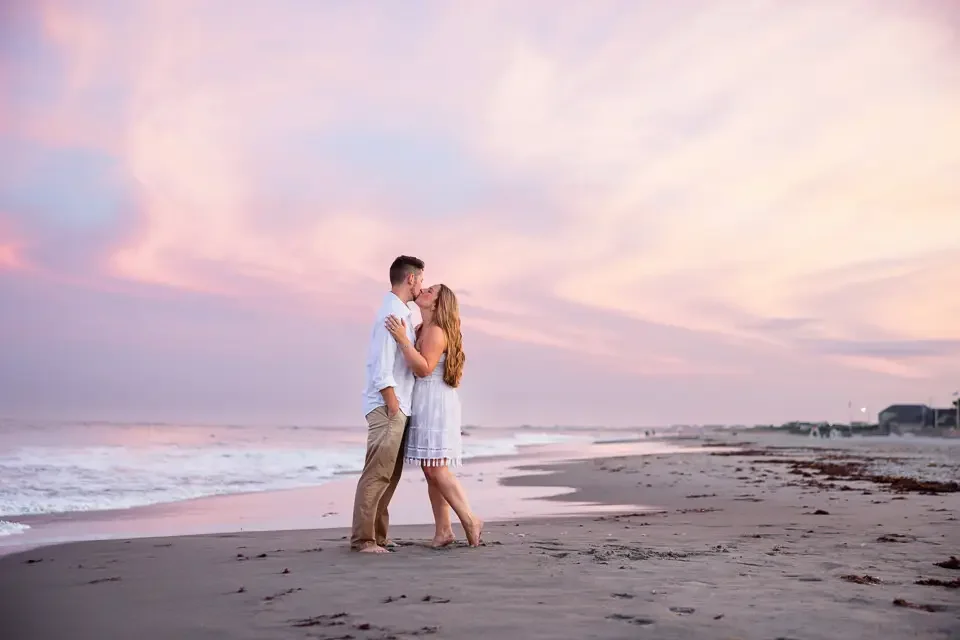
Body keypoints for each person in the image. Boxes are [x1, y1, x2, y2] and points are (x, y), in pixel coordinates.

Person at [385, 284, 483, 547]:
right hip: (426, 399)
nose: (423, 290)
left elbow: (425, 369)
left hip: (435, 400)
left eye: (430, 291)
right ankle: (443, 532)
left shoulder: (436, 332)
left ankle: (470, 519)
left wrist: (403, 341)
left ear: (437, 304)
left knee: (435, 467)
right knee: (431, 468)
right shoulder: (423, 328)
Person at [350, 255, 424, 553]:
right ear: (410, 279)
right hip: (387, 405)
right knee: (377, 472)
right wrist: (392, 405)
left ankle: (378, 535)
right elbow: (381, 366)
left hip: (399, 405)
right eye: (421, 279)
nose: (422, 285)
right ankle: (363, 540)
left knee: (390, 474)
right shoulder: (390, 314)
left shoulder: (403, 314)